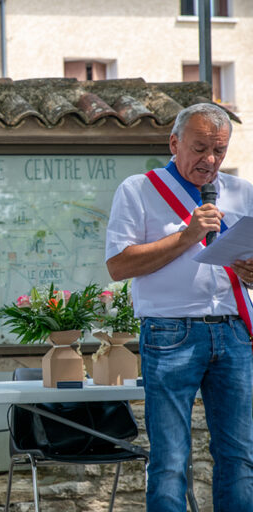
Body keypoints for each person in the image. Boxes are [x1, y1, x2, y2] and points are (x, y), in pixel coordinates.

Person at [105, 103, 253, 511]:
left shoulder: (243, 192)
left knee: (240, 456)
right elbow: (119, 265)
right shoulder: (138, 189)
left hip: (235, 331)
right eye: (200, 147)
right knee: (170, 459)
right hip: (172, 333)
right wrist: (187, 236)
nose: (210, 160)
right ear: (174, 143)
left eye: (219, 151)